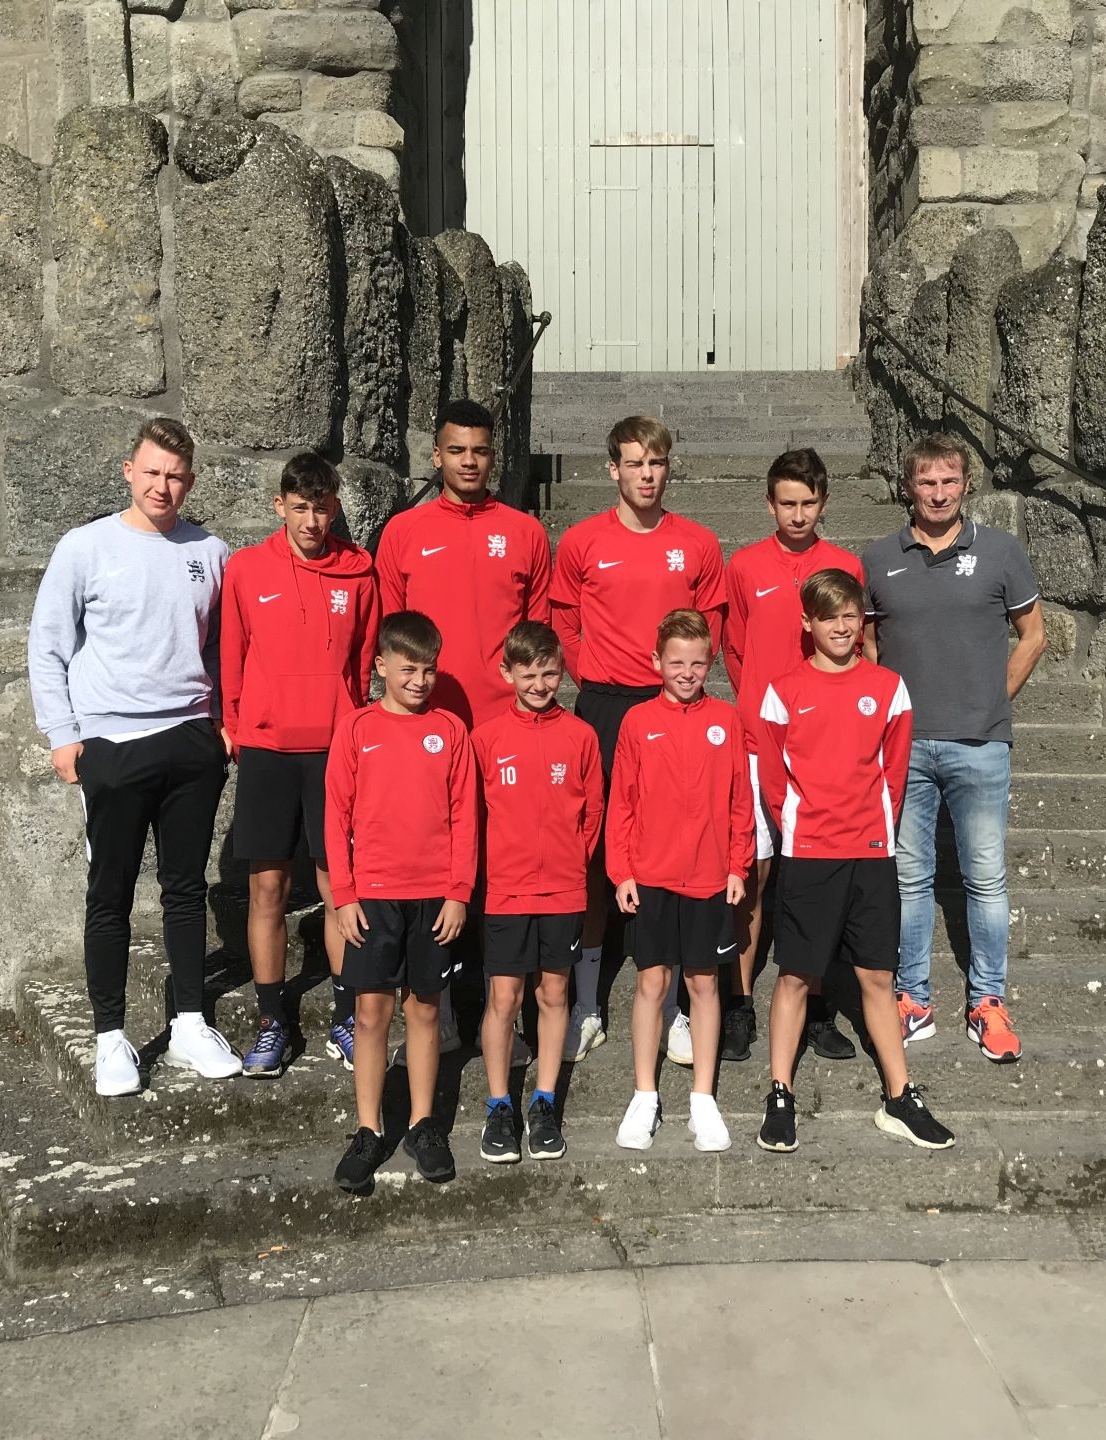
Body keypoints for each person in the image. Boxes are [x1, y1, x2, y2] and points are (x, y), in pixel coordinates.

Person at [27, 416, 238, 1096]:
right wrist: (63, 735)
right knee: (110, 892)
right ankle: (110, 1037)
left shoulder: (211, 551)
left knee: (186, 888)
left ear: (190, 481)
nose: (161, 486)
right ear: (128, 471)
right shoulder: (85, 547)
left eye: (174, 476)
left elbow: (220, 646)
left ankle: (189, 1023)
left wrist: (221, 721)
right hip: (111, 744)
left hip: (190, 741)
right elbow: (48, 643)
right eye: (151, 472)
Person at [753, 569, 956, 1153]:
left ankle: (899, 1096)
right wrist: (803, 828)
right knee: (796, 976)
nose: (842, 627)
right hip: (810, 854)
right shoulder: (783, 691)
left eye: (850, 615)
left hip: (870, 853)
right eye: (829, 617)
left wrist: (873, 830)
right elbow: (773, 781)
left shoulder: (888, 687)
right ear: (808, 623)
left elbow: (894, 772)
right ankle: (780, 1093)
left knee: (877, 976)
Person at [375, 398, 552, 1059]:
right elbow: (392, 636)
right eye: (457, 450)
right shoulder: (404, 532)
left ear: (493, 456)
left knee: (506, 864)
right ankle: (439, 1005)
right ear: (436, 455)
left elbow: (538, 637)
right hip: (430, 728)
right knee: (437, 860)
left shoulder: (524, 532)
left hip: (507, 725)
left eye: (480, 451)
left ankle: (508, 1009)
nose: (469, 462)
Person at [863, 434, 1046, 1064]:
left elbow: (1033, 634)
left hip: (980, 742)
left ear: (966, 485)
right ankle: (913, 999)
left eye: (949, 482)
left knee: (985, 877)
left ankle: (988, 1001)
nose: (938, 494)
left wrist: (995, 697)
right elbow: (868, 645)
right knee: (910, 877)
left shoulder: (1000, 551)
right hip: (905, 746)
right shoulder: (878, 557)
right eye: (926, 482)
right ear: (908, 487)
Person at [551, 417, 726, 1068]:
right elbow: (564, 620)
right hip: (604, 705)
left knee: (676, 847)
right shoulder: (582, 541)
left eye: (656, 463)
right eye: (634, 463)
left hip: (672, 708)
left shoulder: (698, 543)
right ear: (613, 470)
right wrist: (589, 675)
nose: (646, 474)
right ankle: (588, 1003)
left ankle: (676, 1007)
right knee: (596, 850)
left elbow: (711, 625)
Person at [219, 452, 379, 1078]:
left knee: (338, 885)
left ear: (335, 507)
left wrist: (354, 727)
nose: (312, 521)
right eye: (301, 507)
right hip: (267, 748)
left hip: (334, 749)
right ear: (280, 506)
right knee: (268, 888)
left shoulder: (358, 571)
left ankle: (344, 1015)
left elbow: (362, 663)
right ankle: (271, 1020)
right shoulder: (246, 568)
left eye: (322, 508)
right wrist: (235, 724)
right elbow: (232, 652)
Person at [721, 447, 864, 1064]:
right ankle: (739, 1003)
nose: (798, 514)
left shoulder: (845, 565)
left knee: (819, 878)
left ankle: (817, 1008)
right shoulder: (745, 565)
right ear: (769, 504)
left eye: (808, 503)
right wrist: (762, 703)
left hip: (825, 749)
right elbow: (733, 648)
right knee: (754, 874)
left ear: (824, 502)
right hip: (760, 743)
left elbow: (858, 648)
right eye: (787, 503)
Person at [326, 612, 477, 1193]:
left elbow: (465, 816)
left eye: (429, 669)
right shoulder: (356, 728)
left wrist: (458, 891)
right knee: (370, 1014)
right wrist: (345, 895)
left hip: (434, 896)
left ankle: (421, 1124)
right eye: (408, 668)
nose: (419, 680)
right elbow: (336, 816)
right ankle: (368, 1129)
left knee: (426, 1010)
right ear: (381, 666)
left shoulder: (450, 730)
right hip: (373, 897)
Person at [606, 609, 752, 1154]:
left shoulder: (726, 720)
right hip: (652, 875)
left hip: (710, 876)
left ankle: (702, 1098)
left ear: (710, 662)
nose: (687, 673)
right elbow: (622, 801)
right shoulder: (637, 722)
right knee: (651, 983)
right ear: (656, 662)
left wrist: (738, 864)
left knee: (705, 984)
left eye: (697, 663)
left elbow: (740, 799)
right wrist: (621, 870)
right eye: (676, 663)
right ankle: (644, 1095)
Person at [470, 621, 604, 1164]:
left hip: (564, 892)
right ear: (507, 673)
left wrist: (570, 861)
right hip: (505, 891)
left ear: (562, 672)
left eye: (549, 673)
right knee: (503, 998)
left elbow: (592, 811)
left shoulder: (581, 736)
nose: (540, 684)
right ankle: (499, 1105)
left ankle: (545, 1102)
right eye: (528, 674)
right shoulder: (486, 738)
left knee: (553, 994)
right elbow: (474, 817)